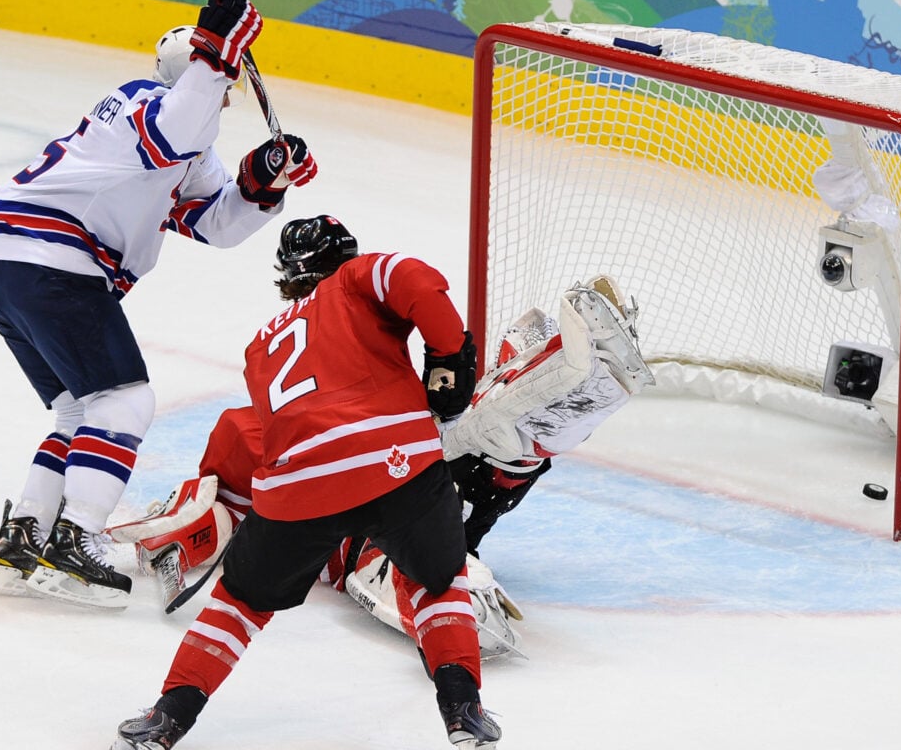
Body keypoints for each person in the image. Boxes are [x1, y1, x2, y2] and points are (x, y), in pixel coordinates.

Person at [0, 0, 319, 610]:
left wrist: (262, 180)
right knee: (126, 402)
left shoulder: (184, 141)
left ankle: (25, 537)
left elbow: (214, 222)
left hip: (13, 266)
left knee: (82, 414)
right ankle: (75, 544)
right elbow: (175, 127)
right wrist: (217, 50)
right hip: (54, 264)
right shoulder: (142, 106)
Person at [108, 271, 653, 660]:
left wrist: (175, 532)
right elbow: (212, 509)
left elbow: (211, 510)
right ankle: (590, 374)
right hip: (397, 518)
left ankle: (581, 368)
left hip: (398, 513)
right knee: (505, 455)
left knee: (500, 454)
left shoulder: (274, 404)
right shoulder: (349, 368)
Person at [112, 215, 503, 750]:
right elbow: (416, 278)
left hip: (297, 489)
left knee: (240, 603)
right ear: (345, 257)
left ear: (287, 276)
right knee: (440, 581)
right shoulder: (355, 280)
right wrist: (448, 357)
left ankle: (167, 718)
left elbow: (269, 441)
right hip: (398, 465)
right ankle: (463, 710)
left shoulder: (260, 346)